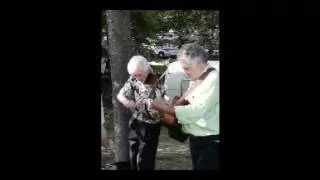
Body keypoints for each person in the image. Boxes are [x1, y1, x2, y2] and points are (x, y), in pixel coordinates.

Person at [151, 43, 219, 170]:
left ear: (199, 62)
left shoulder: (213, 79)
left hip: (210, 142)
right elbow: (187, 103)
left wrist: (164, 108)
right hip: (198, 139)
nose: (185, 72)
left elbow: (197, 111)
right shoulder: (198, 78)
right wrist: (162, 112)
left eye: (187, 68)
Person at [117, 55, 165, 170]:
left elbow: (160, 111)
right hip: (136, 121)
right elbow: (120, 94)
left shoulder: (156, 83)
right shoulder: (133, 77)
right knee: (133, 154)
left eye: (140, 75)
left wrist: (156, 110)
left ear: (147, 70)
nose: (137, 77)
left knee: (144, 160)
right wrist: (127, 102)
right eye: (134, 75)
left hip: (150, 126)